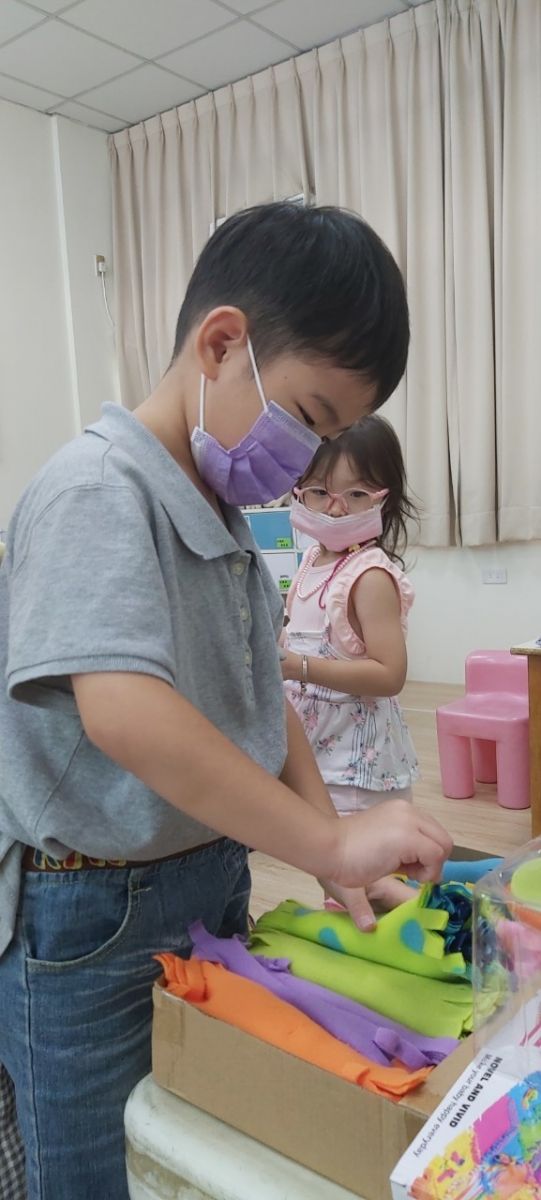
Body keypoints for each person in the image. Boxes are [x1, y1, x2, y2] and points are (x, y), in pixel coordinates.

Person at [0, 202, 451, 1200]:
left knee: (184, 1132)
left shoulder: (226, 519)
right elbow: (124, 710)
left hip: (204, 878)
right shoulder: (97, 488)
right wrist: (329, 841)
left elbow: (261, 699)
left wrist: (327, 851)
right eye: (309, 417)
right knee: (93, 1168)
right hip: (91, 913)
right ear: (221, 345)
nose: (307, 458)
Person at [281, 416, 420, 924]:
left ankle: (419, 932)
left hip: (360, 765)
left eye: (356, 494)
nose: (335, 508)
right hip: (319, 753)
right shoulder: (311, 561)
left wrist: (297, 666)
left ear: (386, 498)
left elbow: (389, 674)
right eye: (320, 492)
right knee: (340, 875)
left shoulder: (370, 575)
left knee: (368, 879)